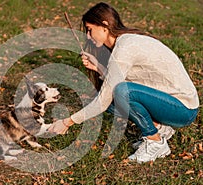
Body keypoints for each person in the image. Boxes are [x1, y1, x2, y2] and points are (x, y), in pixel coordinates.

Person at [48, 2, 199, 163]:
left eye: (90, 29)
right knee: (115, 94)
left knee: (120, 92)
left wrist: (68, 121)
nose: (88, 36)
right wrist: (98, 67)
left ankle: (156, 142)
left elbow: (106, 98)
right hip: (168, 103)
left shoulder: (125, 48)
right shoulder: (124, 42)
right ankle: (160, 129)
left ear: (104, 26)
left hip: (183, 109)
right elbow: (119, 80)